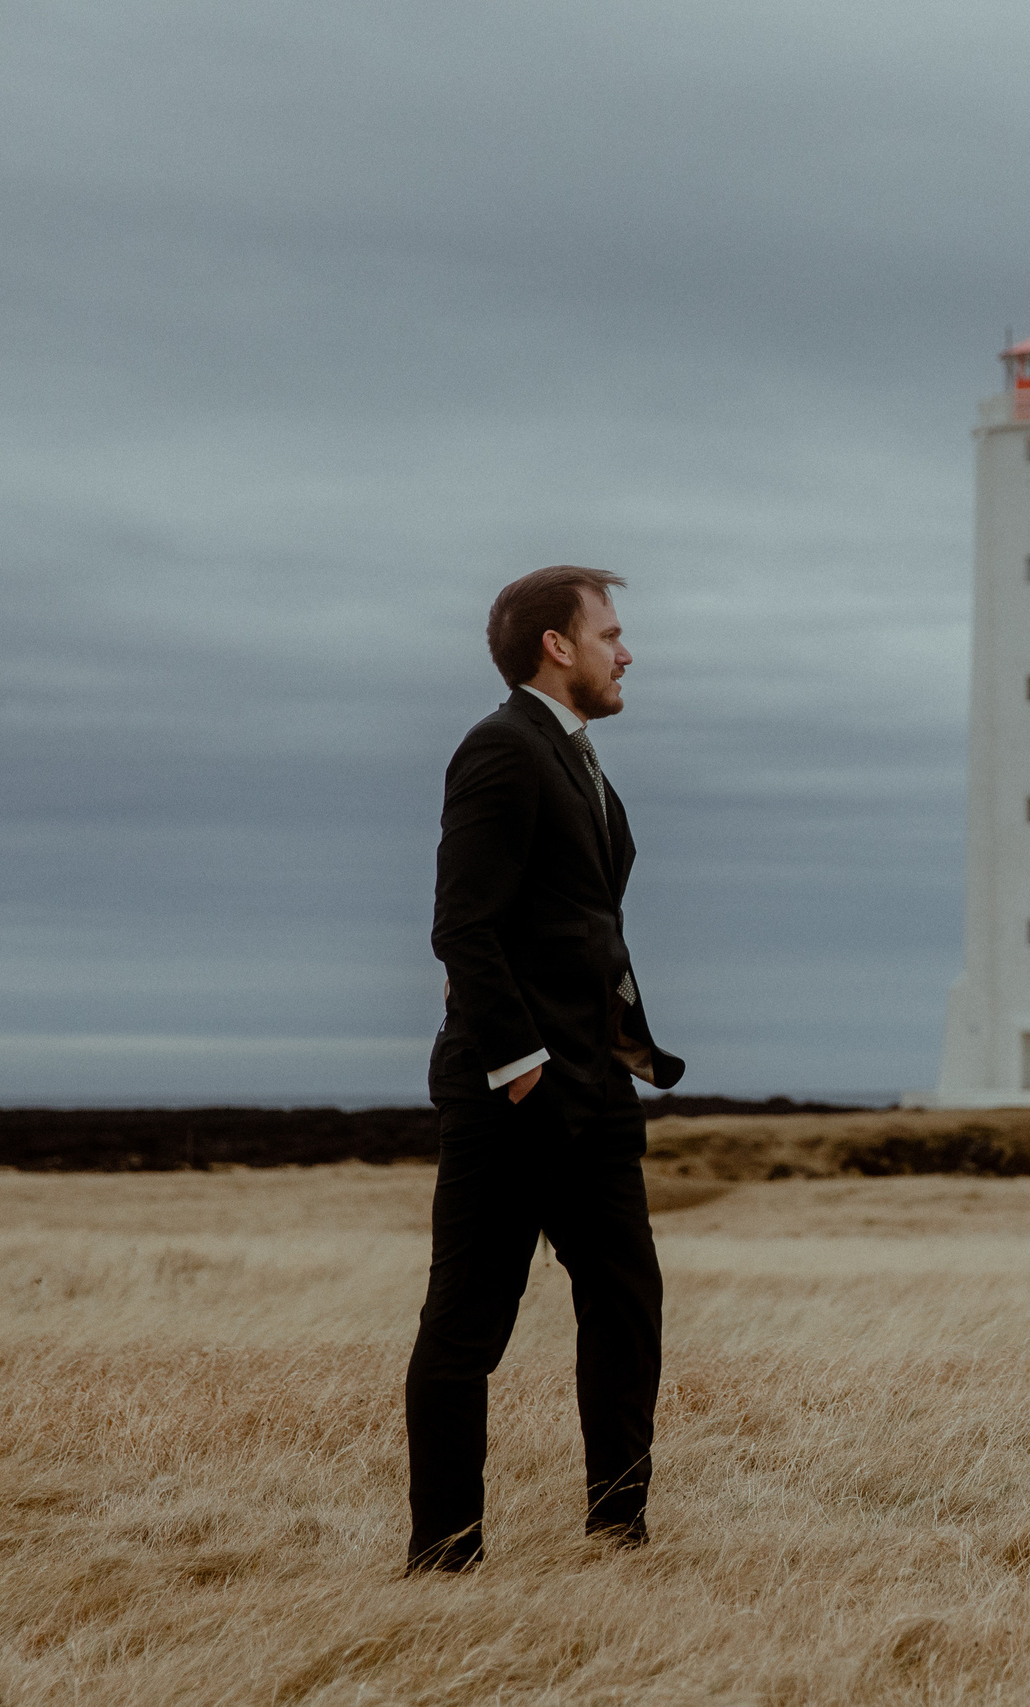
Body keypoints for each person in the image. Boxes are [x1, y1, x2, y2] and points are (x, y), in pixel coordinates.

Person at [403, 565, 684, 1573]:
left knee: (627, 1303)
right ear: (556, 647)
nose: (627, 652)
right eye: (610, 634)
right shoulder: (501, 747)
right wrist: (522, 1067)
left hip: (595, 1086)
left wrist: (610, 1054)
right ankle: (444, 1556)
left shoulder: (572, 754)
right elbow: (462, 926)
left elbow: (580, 919)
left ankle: (619, 1533)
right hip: (511, 1091)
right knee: (467, 1326)